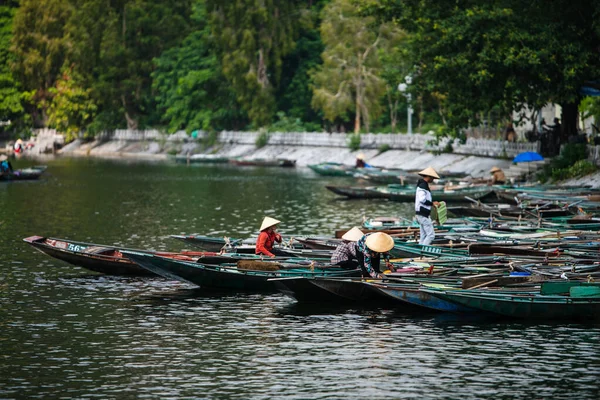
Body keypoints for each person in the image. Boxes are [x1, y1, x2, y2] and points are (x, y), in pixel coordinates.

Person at [415, 167, 440, 246]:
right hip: (423, 214)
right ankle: (423, 251)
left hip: (421, 214)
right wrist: (432, 203)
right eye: (432, 177)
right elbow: (422, 199)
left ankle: (419, 251)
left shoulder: (423, 185)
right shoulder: (423, 186)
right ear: (428, 177)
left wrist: (432, 204)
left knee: (424, 235)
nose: (433, 179)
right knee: (431, 235)